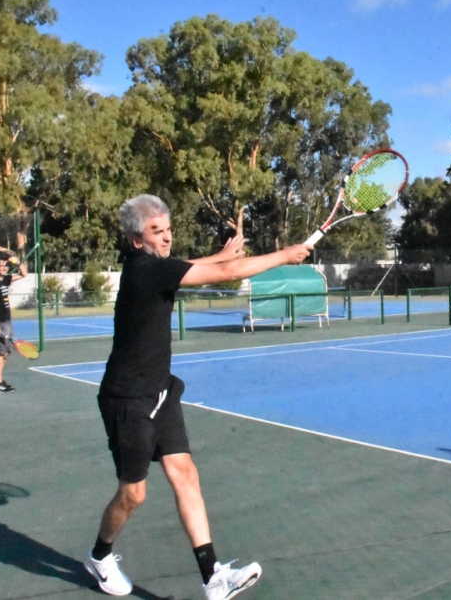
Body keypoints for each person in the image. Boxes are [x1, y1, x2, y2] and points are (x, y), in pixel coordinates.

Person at [84, 194, 312, 599]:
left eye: (168, 228)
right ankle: (100, 557)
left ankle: (213, 579)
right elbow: (226, 274)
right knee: (134, 493)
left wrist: (220, 254)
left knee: (185, 473)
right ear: (137, 240)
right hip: (128, 399)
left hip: (161, 391)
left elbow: (201, 266)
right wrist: (284, 255)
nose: (167, 237)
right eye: (157, 231)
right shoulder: (141, 271)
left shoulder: (156, 267)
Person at [0, 251, 29, 394]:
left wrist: (17, 262)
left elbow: (24, 274)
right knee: (0, 353)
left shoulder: (5, 280)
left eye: (6, 266)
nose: (5, 268)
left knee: (6, 352)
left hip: (7, 321)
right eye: (2, 266)